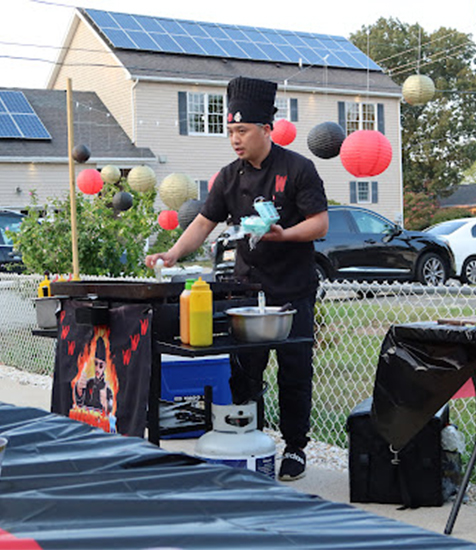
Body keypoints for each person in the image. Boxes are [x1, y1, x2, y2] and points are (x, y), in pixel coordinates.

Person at [146, 76, 328, 481]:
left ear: (267, 129)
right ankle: (250, 437)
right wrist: (172, 253)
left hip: (293, 290)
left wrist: (283, 233)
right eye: (230, 131)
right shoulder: (228, 176)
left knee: (294, 370)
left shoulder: (298, 169)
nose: (235, 139)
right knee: (245, 370)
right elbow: (204, 223)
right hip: (247, 289)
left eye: (242, 131)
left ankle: (295, 446)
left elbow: (319, 225)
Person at [74, 336, 113, 414]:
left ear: (105, 366)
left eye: (101, 365)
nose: (97, 368)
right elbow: (79, 403)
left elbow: (110, 411)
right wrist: (79, 389)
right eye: (96, 364)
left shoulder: (108, 391)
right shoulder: (88, 383)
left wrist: (105, 402)